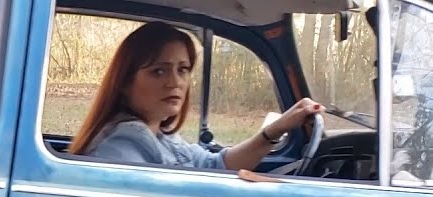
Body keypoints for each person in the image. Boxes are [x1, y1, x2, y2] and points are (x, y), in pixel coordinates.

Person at [69, 21, 323, 171]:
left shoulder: (160, 137)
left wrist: (276, 129)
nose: (176, 82)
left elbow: (218, 165)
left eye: (183, 69)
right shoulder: (119, 148)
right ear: (124, 82)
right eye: (159, 71)